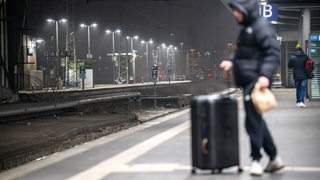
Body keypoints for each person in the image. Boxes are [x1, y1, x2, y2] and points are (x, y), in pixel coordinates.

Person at [220, 0, 285, 176]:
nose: (235, 14)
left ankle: (256, 160)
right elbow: (241, 52)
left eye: (237, 11)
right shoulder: (247, 28)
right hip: (249, 80)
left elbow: (273, 53)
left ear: (246, 10)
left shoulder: (261, 27)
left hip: (256, 81)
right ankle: (274, 158)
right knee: (257, 121)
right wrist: (231, 60)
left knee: (252, 122)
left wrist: (264, 75)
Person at [288, 43, 308, 107]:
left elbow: (289, 66)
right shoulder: (305, 57)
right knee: (302, 89)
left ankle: (298, 101)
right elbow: (309, 64)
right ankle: (301, 101)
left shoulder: (293, 57)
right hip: (304, 74)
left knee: (298, 88)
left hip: (296, 75)